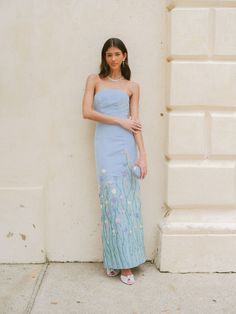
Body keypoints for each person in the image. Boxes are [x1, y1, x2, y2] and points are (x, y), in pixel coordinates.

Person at [82, 38, 147, 285]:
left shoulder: (133, 86)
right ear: (104, 57)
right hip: (105, 145)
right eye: (108, 54)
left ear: (124, 56)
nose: (112, 58)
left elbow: (136, 123)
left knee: (127, 203)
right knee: (111, 202)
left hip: (126, 148)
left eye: (117, 54)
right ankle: (114, 258)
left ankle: (127, 263)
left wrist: (143, 154)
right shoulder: (94, 80)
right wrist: (120, 120)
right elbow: (87, 112)